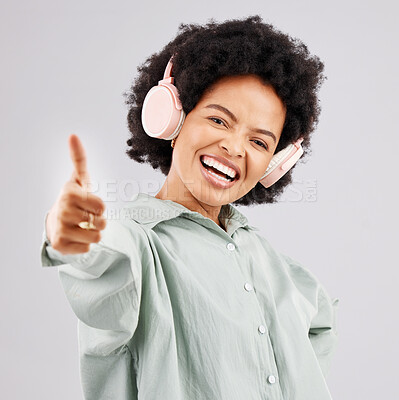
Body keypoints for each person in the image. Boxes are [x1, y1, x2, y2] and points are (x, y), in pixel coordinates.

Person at [41, 15, 339, 400]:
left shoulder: (269, 261)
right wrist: (71, 232)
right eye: (218, 119)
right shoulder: (137, 245)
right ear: (173, 119)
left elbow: (319, 322)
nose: (234, 148)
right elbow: (100, 260)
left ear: (275, 165)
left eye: (260, 142)